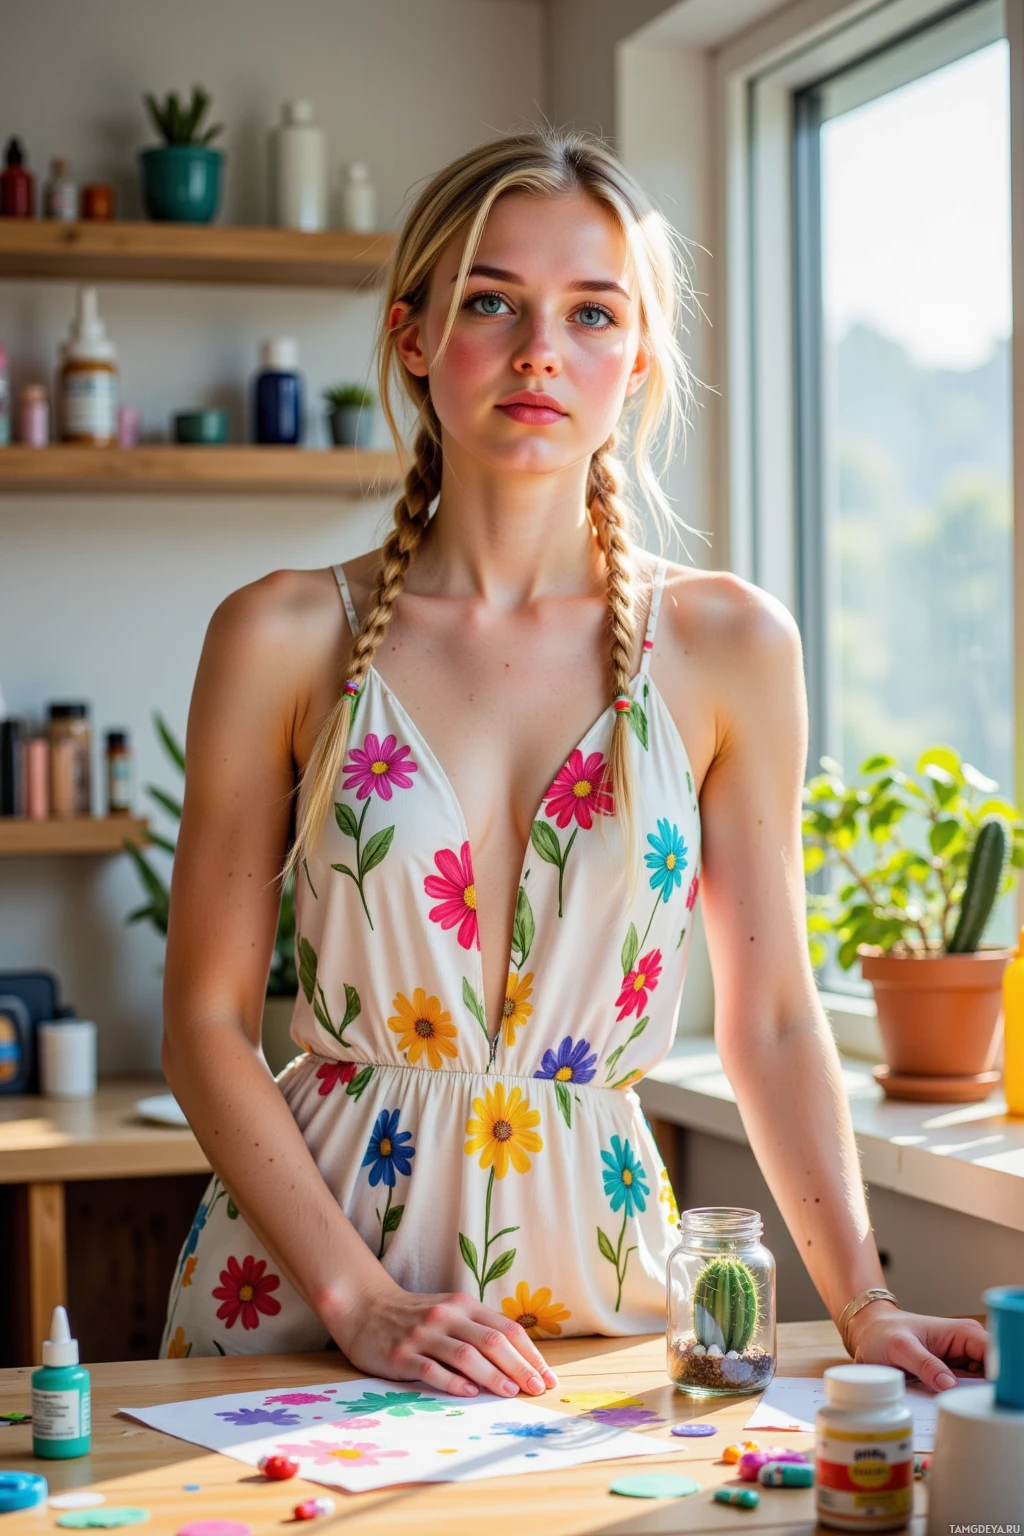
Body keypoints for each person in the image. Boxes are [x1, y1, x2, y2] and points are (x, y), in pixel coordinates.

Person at [160, 127, 986, 1401]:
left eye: (591, 313)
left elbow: (770, 1018)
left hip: (602, 1310)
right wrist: (361, 1302)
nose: (541, 349)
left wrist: (863, 1306)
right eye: (492, 300)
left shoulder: (728, 647)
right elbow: (206, 1025)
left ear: (638, 359)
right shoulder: (278, 634)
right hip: (297, 1301)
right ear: (414, 336)